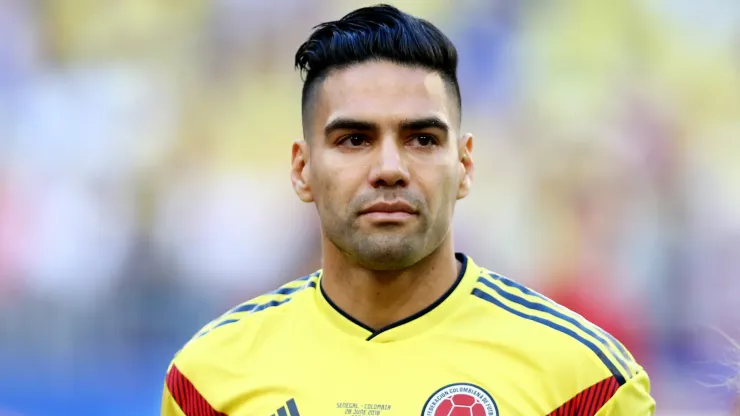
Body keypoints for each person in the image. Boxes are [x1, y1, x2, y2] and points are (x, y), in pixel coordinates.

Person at [160, 4, 655, 415]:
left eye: (421, 138)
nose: (390, 168)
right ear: (302, 169)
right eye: (354, 139)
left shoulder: (587, 383)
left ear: (463, 165)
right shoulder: (208, 378)